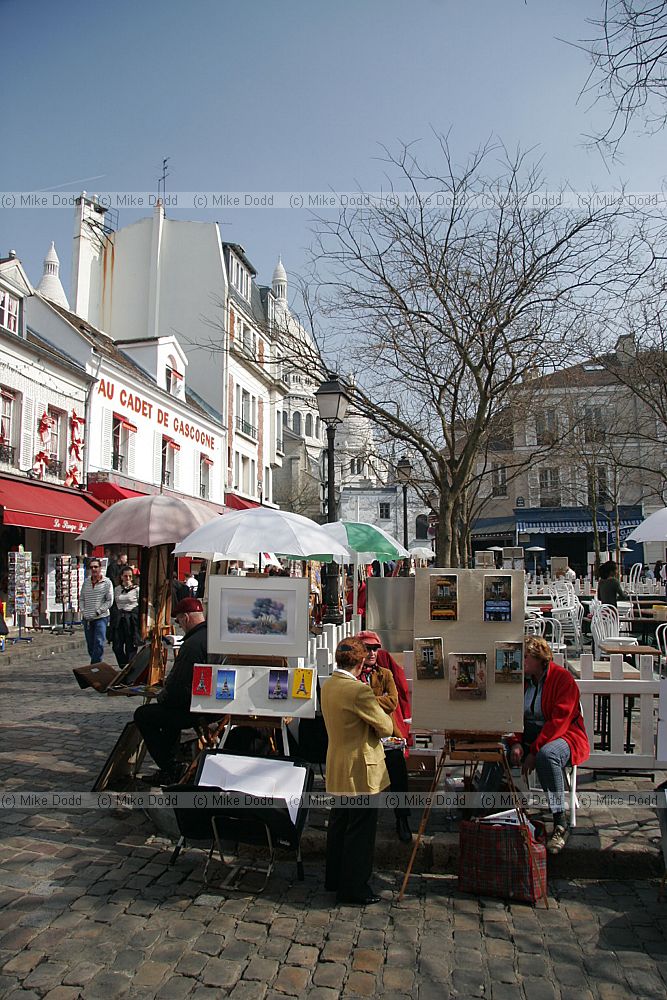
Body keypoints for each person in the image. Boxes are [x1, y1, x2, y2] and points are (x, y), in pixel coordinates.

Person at [321, 636, 393, 905]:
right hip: (361, 767)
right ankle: (354, 887)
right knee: (360, 831)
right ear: (361, 662)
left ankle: (335, 878)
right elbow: (385, 726)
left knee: (339, 824)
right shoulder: (358, 691)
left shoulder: (329, 685)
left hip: (338, 763)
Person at [510, 636, 589, 855]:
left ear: (539, 659)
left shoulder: (562, 680)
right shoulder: (524, 681)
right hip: (530, 735)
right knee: (499, 751)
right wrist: (516, 742)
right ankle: (484, 811)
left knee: (548, 755)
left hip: (564, 735)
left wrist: (534, 751)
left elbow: (559, 722)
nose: (522, 661)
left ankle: (560, 821)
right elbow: (514, 715)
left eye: (526, 657)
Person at [134, 597, 209, 783]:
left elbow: (178, 687)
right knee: (167, 716)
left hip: (195, 709)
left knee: (143, 715)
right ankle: (171, 766)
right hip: (205, 705)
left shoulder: (192, 645)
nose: (180, 625)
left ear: (186, 617)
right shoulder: (209, 636)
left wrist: (162, 696)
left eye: (180, 621)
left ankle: (170, 767)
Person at [356, 629, 412, 843]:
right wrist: (378, 699)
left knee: (397, 766)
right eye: (368, 648)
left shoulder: (385, 674)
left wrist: (365, 698)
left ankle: (402, 818)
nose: (372, 653)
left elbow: (393, 702)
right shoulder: (352, 675)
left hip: (385, 733)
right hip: (362, 735)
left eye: (375, 648)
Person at [79, 558, 114, 664]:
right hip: (88, 618)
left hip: (101, 617)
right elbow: (81, 598)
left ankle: (95, 665)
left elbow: (109, 600)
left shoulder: (107, 582)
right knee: (90, 644)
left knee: (99, 642)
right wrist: (83, 611)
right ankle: (96, 664)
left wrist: (99, 611)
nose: (93, 569)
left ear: (100, 568)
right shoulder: (86, 582)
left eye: (95, 567)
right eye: (91, 567)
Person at [112, 566, 140, 669]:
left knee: (130, 645)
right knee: (117, 646)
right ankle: (124, 666)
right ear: (121, 577)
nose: (127, 578)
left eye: (130, 576)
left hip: (131, 619)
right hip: (120, 619)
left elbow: (139, 604)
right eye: (125, 576)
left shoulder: (136, 589)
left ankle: (130, 667)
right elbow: (114, 603)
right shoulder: (117, 589)